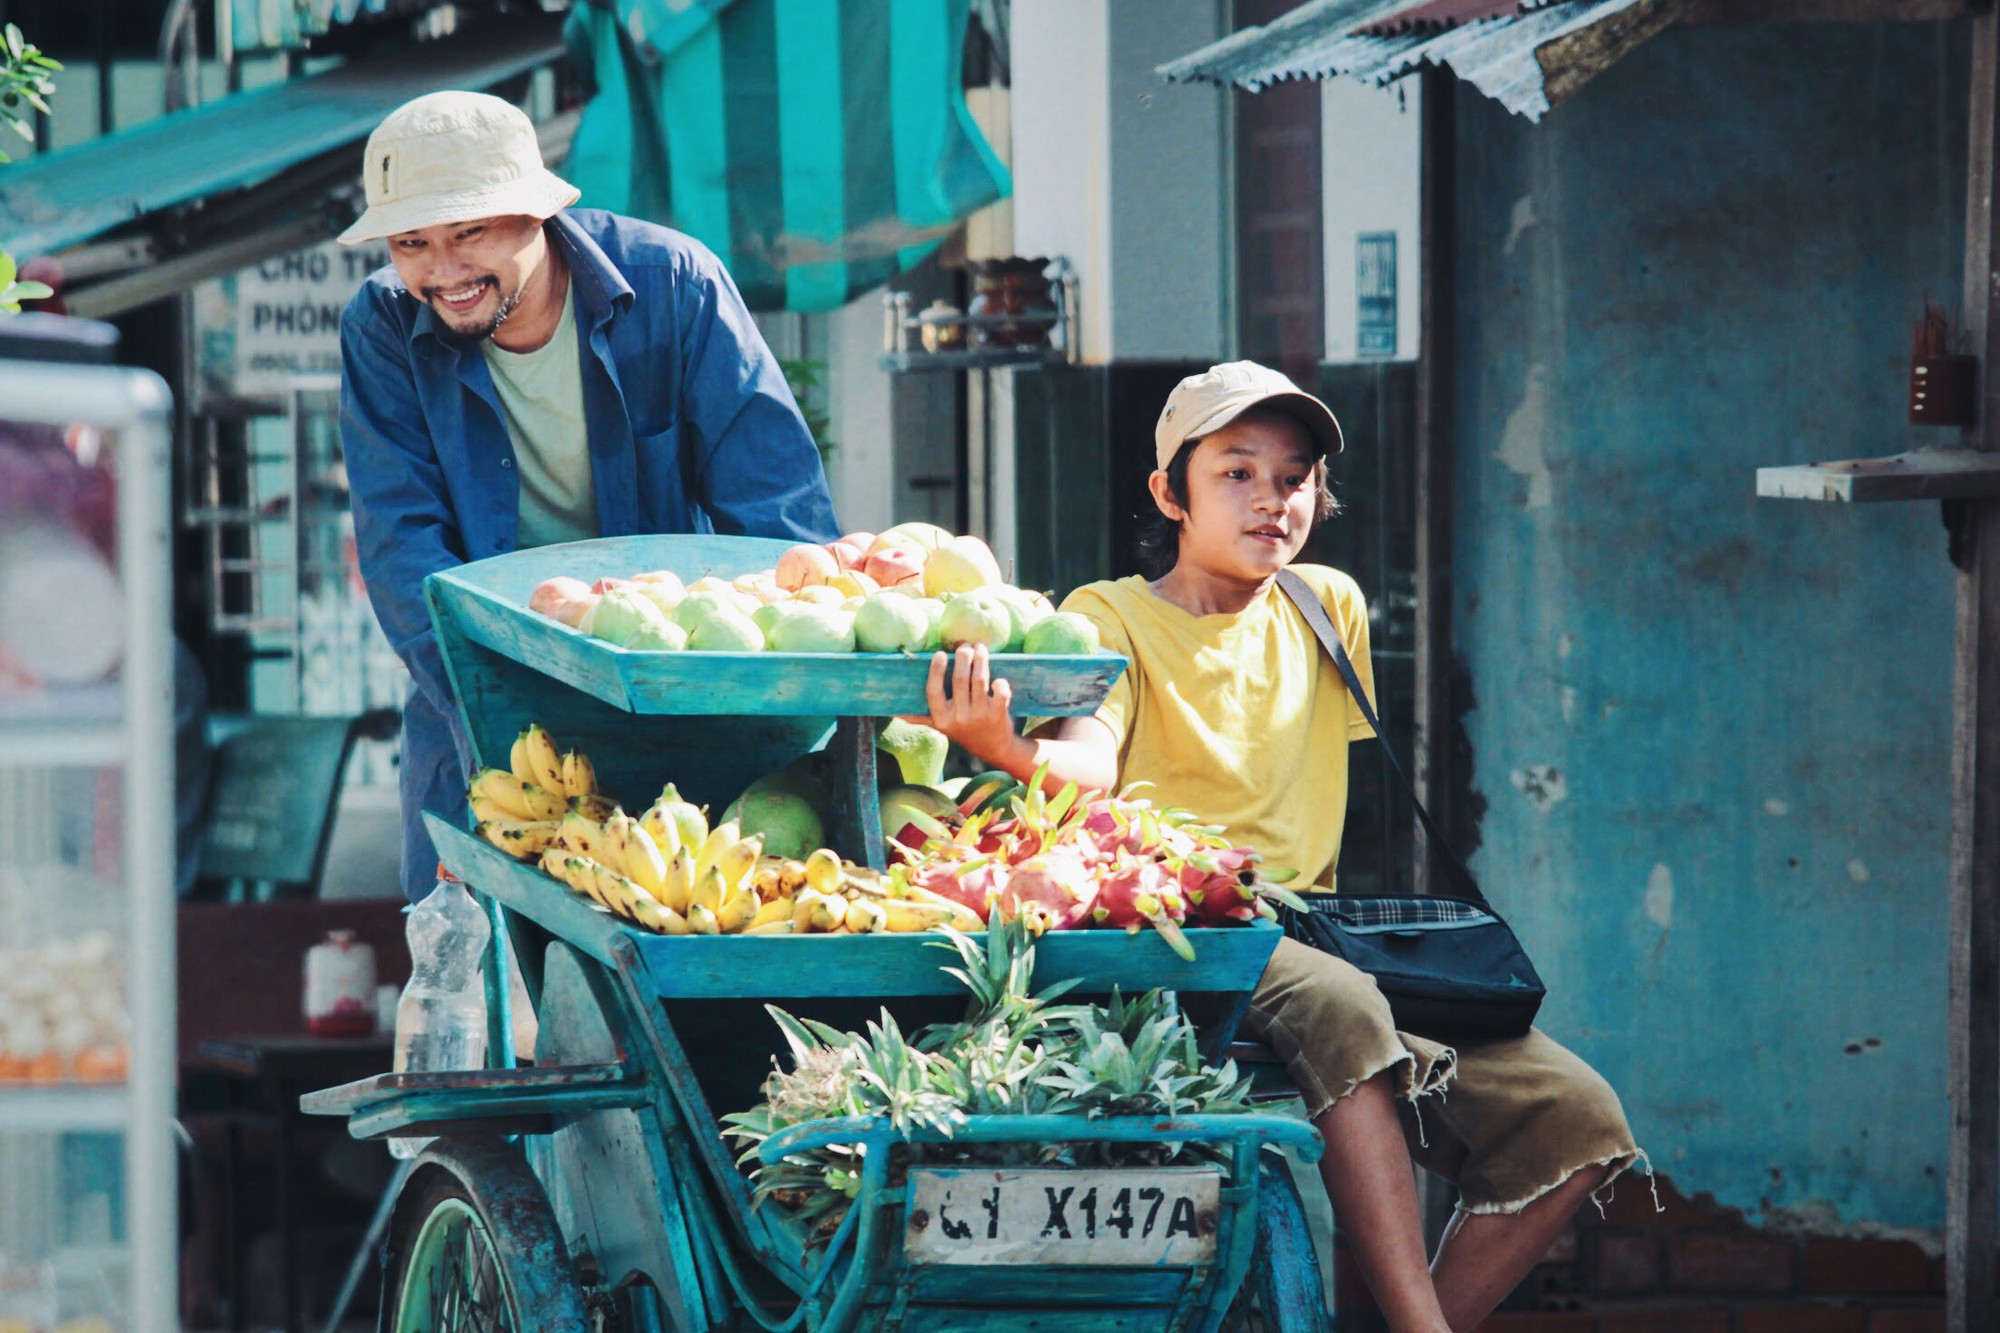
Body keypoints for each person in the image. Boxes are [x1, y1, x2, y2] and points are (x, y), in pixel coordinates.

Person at [917, 361, 1643, 1333]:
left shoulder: (1323, 605)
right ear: (1168, 492)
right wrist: (1002, 749)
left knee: (1578, 1117)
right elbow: (1087, 761)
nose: (1272, 499)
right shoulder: (1106, 616)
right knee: (1344, 1008)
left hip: (1315, 931)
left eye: (1293, 477)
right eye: (1236, 472)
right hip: (1179, 924)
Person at [337, 91, 838, 902]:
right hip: (475, 710)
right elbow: (403, 549)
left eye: (470, 232)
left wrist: (779, 726)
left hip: (674, 693)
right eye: (413, 243)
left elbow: (778, 524)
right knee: (472, 998)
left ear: (536, 214)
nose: (445, 270)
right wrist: (494, 707)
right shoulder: (382, 327)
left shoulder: (677, 287)